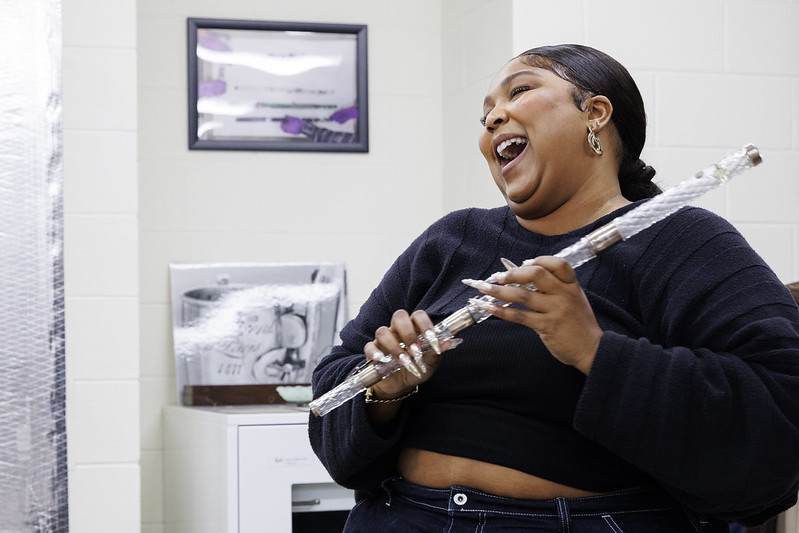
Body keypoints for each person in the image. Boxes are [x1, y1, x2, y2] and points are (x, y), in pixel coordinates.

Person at [308, 44, 799, 532]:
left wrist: (594, 349)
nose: (494, 119)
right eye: (484, 118)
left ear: (596, 113)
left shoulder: (683, 238)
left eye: (519, 91)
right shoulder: (452, 238)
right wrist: (384, 388)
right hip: (399, 519)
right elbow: (333, 383)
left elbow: (780, 420)